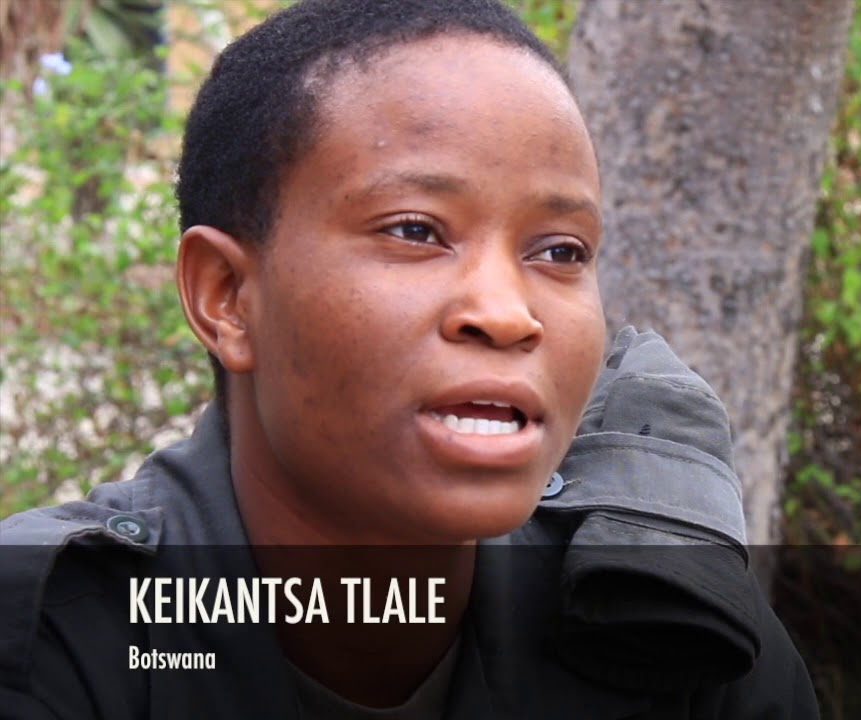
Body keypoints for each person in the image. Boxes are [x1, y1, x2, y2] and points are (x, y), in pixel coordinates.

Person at [0, 1, 819, 717]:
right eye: (416, 231)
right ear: (227, 295)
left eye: (561, 251)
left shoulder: (670, 636)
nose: (506, 313)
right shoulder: (53, 650)